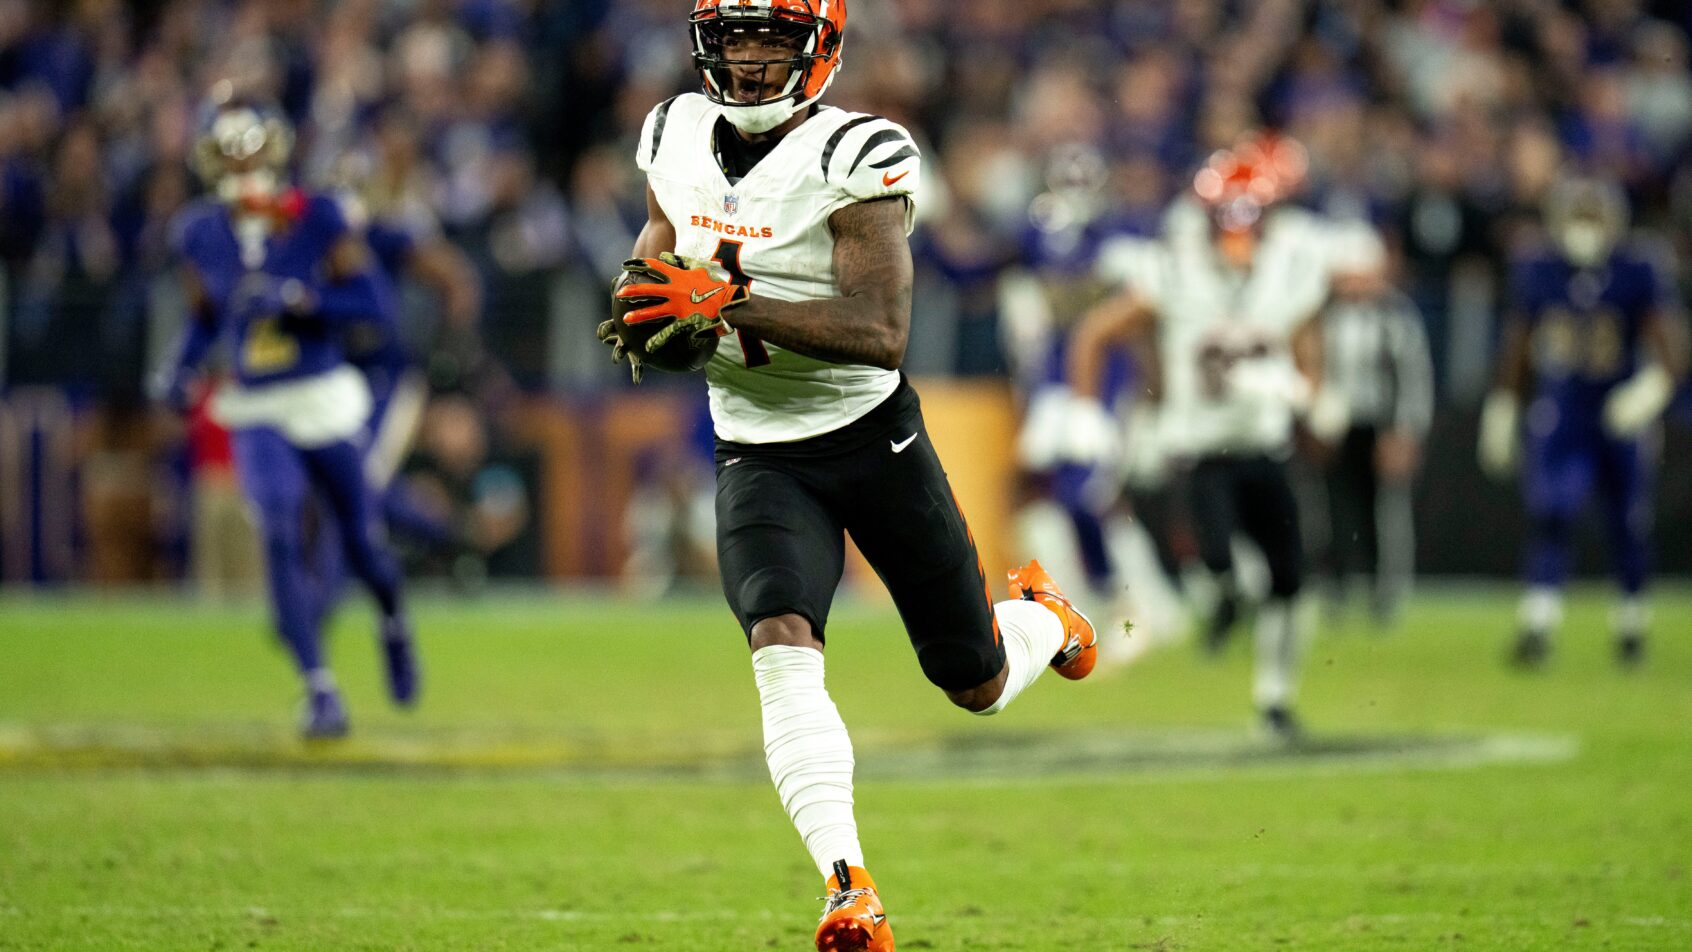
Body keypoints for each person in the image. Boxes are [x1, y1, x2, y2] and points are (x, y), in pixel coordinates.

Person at [596, 2, 1098, 949]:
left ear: (816, 48)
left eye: (772, 38)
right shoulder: (669, 132)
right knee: (781, 644)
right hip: (753, 447)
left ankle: (1044, 622)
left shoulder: (855, 153)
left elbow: (879, 334)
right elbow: (652, 271)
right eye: (734, 37)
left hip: (868, 440)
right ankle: (848, 886)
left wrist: (735, 301)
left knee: (977, 681)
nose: (748, 60)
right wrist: (649, 310)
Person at [156, 91, 418, 738]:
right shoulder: (199, 232)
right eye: (228, 152)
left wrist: (302, 299)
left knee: (362, 541)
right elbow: (204, 321)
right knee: (275, 525)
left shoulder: (316, 217)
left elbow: (375, 308)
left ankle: (391, 618)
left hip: (321, 391)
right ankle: (320, 689)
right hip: (257, 400)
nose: (242, 164)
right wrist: (178, 368)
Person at [1070, 135, 1349, 740]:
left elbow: (1307, 350)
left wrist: (1302, 391)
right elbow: (1096, 330)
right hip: (1200, 450)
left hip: (1266, 446)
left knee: (1290, 579)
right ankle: (1223, 600)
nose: (1237, 228)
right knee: (1219, 563)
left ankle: (1274, 697)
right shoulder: (1174, 268)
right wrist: (1088, 411)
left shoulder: (1291, 271)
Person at [1478, 176, 1687, 668]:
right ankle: (1538, 624)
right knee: (1552, 514)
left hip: (1619, 417)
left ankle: (1632, 625)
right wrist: (1503, 408)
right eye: (1578, 219)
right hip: (1562, 413)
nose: (1585, 230)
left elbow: (1670, 345)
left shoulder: (1637, 267)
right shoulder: (1540, 268)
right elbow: (1519, 344)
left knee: (1627, 524)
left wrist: (1649, 390)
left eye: (1594, 220)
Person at [1309, 224, 1435, 626]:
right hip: (1333, 423)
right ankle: (1336, 586)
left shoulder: (1394, 314)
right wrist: (1312, 415)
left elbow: (1415, 376)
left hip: (1381, 421)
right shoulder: (1319, 313)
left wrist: (1405, 430)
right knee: (1330, 508)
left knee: (1386, 511)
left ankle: (1388, 591)